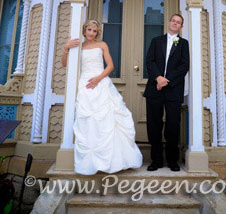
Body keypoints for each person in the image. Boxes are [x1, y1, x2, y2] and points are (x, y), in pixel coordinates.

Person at [62, 19, 142, 175]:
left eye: (95, 31)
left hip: (100, 83)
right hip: (85, 85)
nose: (92, 33)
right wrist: (65, 48)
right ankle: (90, 162)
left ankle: (111, 160)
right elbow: (65, 65)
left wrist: (98, 79)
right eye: (89, 30)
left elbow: (110, 66)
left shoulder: (102, 45)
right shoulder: (78, 46)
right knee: (88, 121)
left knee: (106, 121)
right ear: (84, 30)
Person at [143, 14, 189, 172]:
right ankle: (156, 160)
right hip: (154, 89)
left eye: (179, 22)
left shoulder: (183, 44)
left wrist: (166, 80)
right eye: (174, 21)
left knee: (173, 126)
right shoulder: (156, 41)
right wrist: (158, 78)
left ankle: (172, 161)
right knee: (154, 125)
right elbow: (150, 61)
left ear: (181, 27)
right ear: (169, 23)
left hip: (173, 90)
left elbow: (184, 65)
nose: (175, 23)